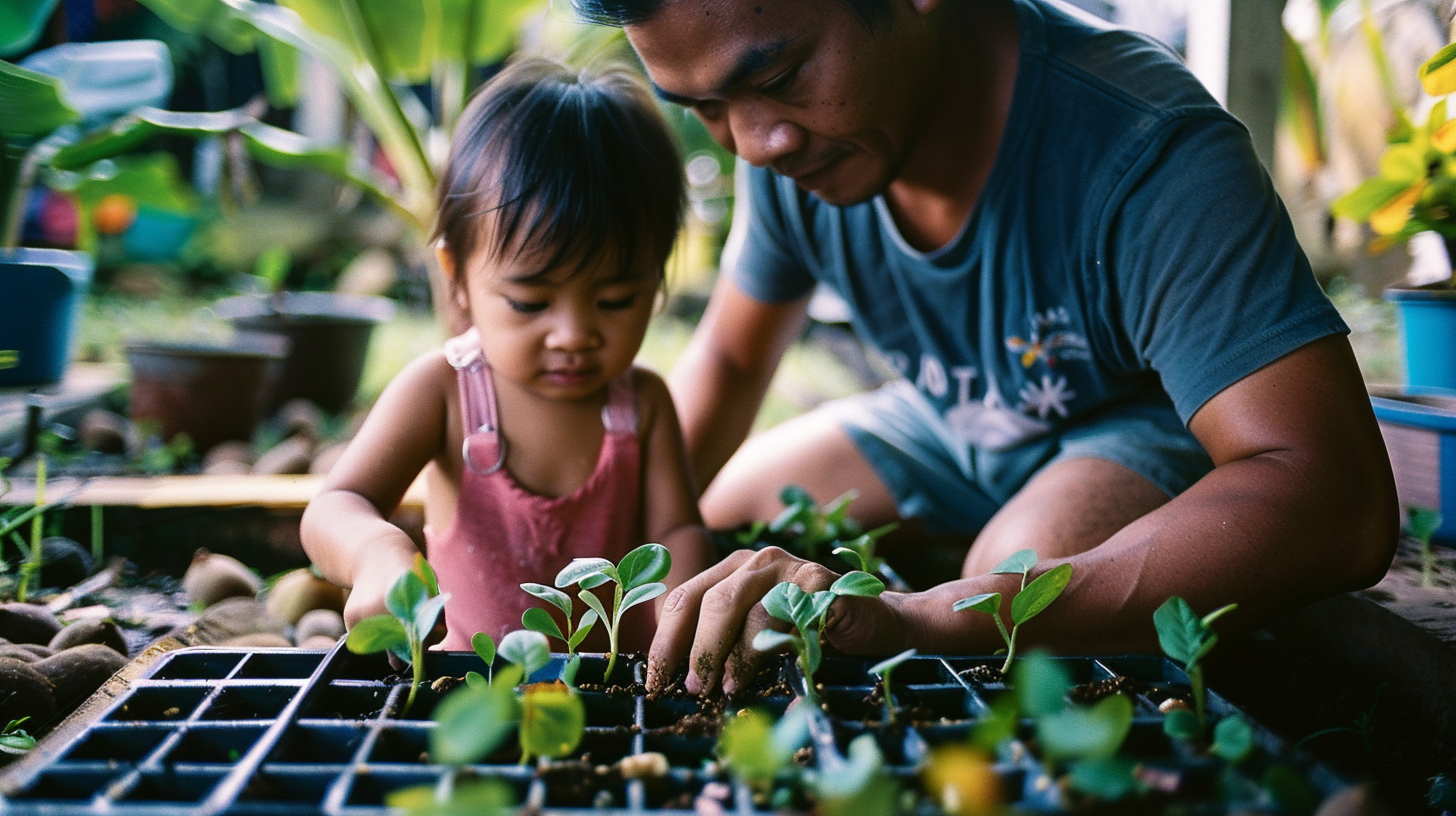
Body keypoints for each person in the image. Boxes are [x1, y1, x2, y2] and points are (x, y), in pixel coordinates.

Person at [570, 0, 1400, 693]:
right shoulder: (795, 142)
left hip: (1132, 428)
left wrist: (918, 614)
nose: (752, 143)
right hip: (945, 419)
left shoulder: (1146, 147)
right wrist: (583, 546)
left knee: (1010, 574)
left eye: (778, 78)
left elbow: (1334, 499)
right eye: (705, 108)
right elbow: (732, 359)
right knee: (712, 524)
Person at [300, 58, 712, 651]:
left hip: (611, 696)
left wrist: (682, 611)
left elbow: (676, 531)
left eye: (617, 299)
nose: (573, 333)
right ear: (457, 278)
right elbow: (336, 504)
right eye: (529, 302)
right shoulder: (443, 391)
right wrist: (376, 551)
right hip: (461, 689)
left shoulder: (641, 406)